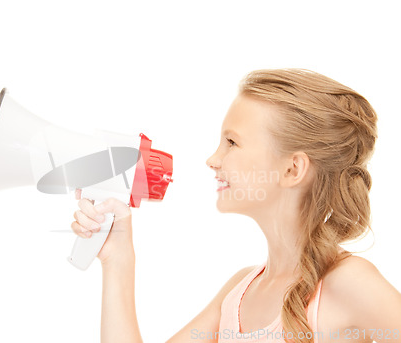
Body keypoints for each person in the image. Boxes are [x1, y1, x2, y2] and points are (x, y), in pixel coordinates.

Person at [70, 69, 401, 343]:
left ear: (292, 169)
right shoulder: (238, 293)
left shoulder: (351, 283)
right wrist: (118, 260)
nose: (212, 160)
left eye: (231, 142)